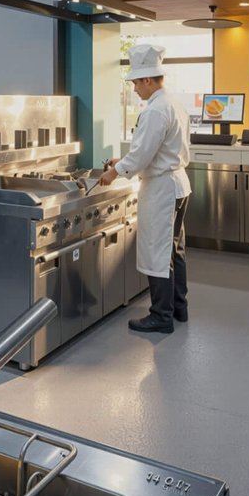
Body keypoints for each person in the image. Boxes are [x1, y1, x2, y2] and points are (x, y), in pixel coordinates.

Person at [98, 44, 191, 333]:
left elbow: (141, 155)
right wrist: (122, 161)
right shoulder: (173, 103)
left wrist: (114, 171)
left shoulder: (155, 110)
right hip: (178, 185)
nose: (135, 89)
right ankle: (179, 308)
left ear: (148, 80)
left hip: (162, 188)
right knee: (174, 250)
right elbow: (153, 150)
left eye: (136, 83)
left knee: (157, 251)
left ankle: (160, 316)